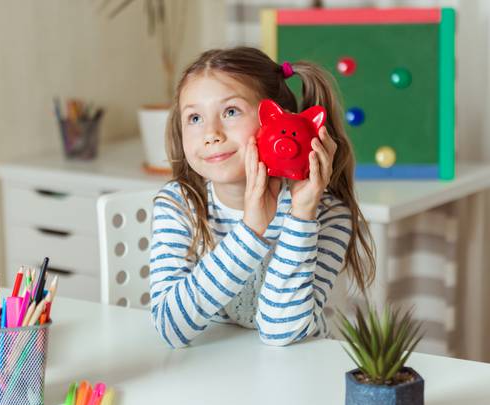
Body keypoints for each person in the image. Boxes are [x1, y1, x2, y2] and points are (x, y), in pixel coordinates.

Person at [149, 47, 375, 348]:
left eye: (231, 112)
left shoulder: (327, 214)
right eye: (194, 118)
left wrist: (301, 215)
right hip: (217, 368)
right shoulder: (179, 204)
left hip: (297, 369)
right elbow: (169, 326)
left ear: (278, 120)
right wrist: (250, 230)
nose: (211, 133)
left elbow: (280, 332)